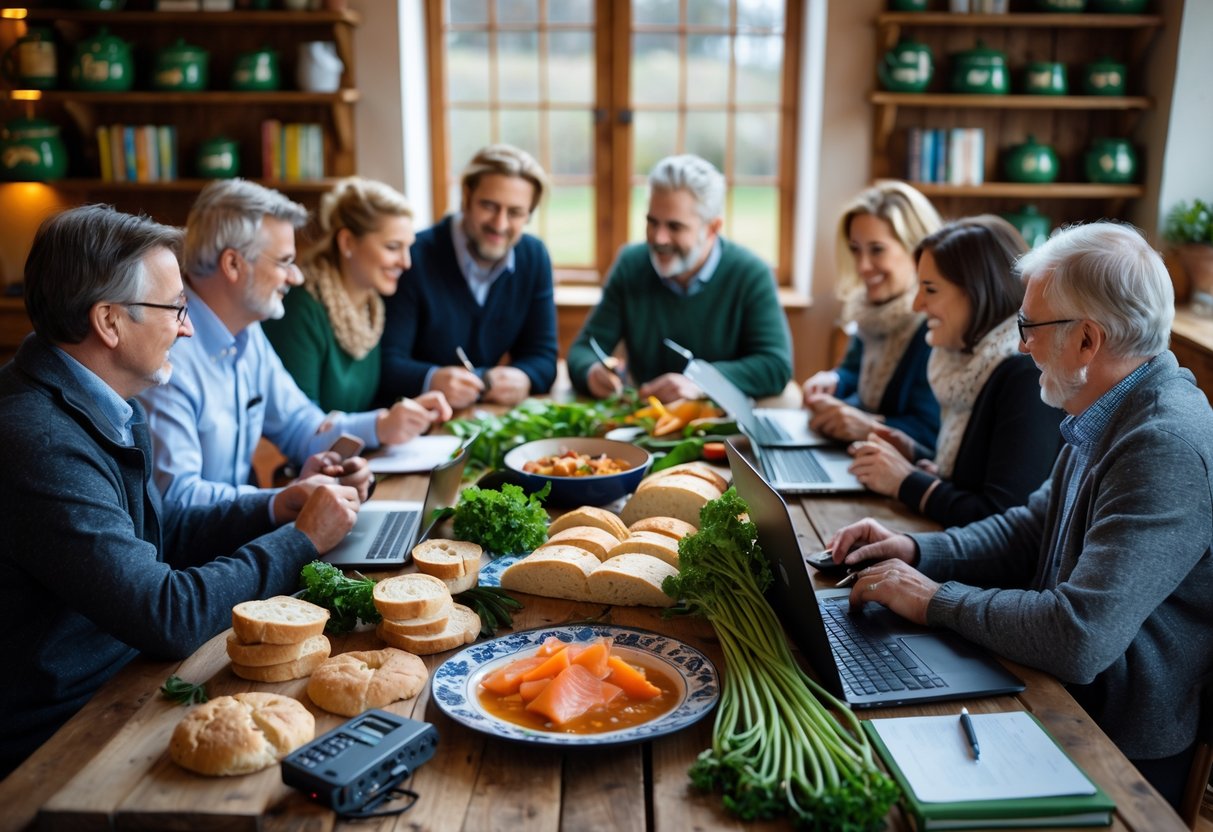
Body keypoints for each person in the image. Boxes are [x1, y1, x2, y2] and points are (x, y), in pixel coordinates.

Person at [827, 222, 1213, 809]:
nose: (1022, 343)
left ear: (1088, 339)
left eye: (1030, 326)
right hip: (1062, 692)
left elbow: (1078, 635)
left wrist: (934, 599)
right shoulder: (1107, 406)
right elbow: (1029, 527)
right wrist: (915, 550)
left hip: (1116, 742)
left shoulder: (1162, 444)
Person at [0, 205, 361, 777]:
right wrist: (298, 540)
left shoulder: (107, 401)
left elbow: (159, 533)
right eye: (175, 309)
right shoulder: (38, 441)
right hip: (62, 731)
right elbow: (167, 613)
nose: (188, 328)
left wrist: (273, 506)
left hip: (129, 673)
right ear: (109, 322)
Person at [138, 179, 451, 509]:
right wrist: (287, 498)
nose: (295, 276)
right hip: (202, 557)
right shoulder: (168, 356)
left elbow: (303, 427)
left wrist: (380, 426)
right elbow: (177, 500)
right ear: (233, 264)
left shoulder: (247, 333)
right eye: (284, 261)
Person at [847, 216, 1063, 527]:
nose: (917, 305)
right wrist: (912, 451)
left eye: (930, 290)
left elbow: (1001, 519)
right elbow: (973, 476)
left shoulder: (1024, 375)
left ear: (978, 293)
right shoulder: (965, 364)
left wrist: (905, 481)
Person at [567, 153, 793, 403]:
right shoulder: (631, 263)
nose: (658, 238)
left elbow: (776, 365)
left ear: (712, 228)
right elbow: (583, 350)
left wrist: (701, 382)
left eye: (675, 227)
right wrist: (593, 373)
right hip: (645, 424)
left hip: (719, 428)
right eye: (652, 222)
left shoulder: (751, 274)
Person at [379, 144, 558, 409]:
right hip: (419, 421)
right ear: (466, 196)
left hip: (487, 416)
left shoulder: (533, 257)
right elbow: (387, 363)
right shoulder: (413, 257)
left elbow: (542, 356)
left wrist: (525, 377)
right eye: (489, 206)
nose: (500, 224)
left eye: (515, 213)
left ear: (529, 214)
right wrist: (431, 379)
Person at [802, 181, 942, 452]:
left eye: (877, 249)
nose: (862, 266)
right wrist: (833, 382)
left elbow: (932, 432)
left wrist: (867, 425)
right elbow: (853, 374)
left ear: (918, 251)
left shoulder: (934, 325)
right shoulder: (870, 313)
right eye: (855, 249)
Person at [263, 177, 414, 413]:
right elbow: (300, 423)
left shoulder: (372, 310)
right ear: (347, 242)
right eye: (393, 247)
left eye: (409, 247)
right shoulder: (301, 306)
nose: (406, 263)